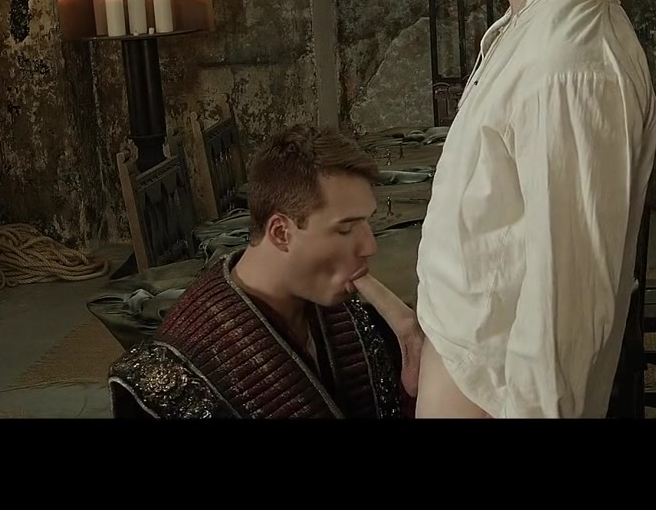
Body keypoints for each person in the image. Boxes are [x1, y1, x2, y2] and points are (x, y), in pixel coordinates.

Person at [413, 0, 656, 418]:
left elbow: (566, 311)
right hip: (469, 375)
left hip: (492, 397)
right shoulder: (534, 27)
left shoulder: (569, 60)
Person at [107, 124, 423, 419]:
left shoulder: (342, 308)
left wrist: (411, 358)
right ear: (281, 233)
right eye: (345, 229)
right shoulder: (174, 380)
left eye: (367, 221)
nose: (370, 246)